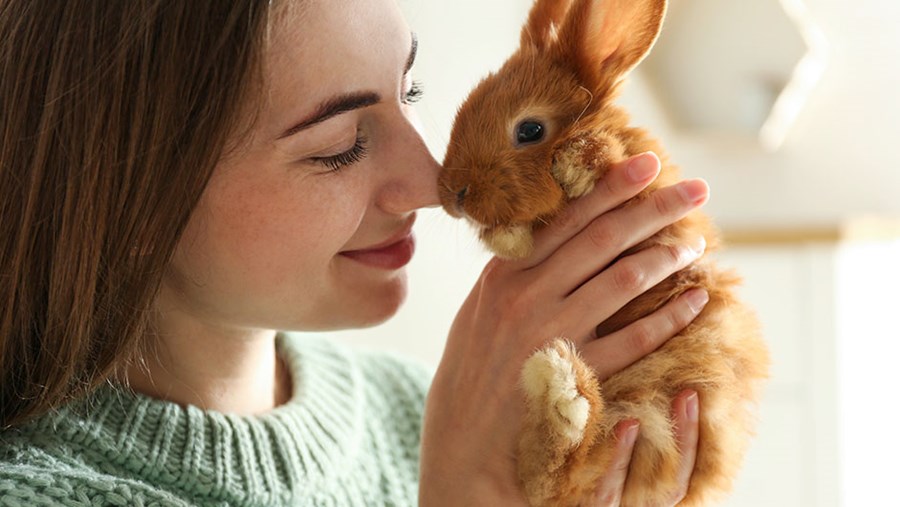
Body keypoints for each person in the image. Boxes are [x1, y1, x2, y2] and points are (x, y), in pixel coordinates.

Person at [0, 0, 710, 505]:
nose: (431, 184)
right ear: (132, 194)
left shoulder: (420, 411)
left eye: (411, 91)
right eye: (339, 147)